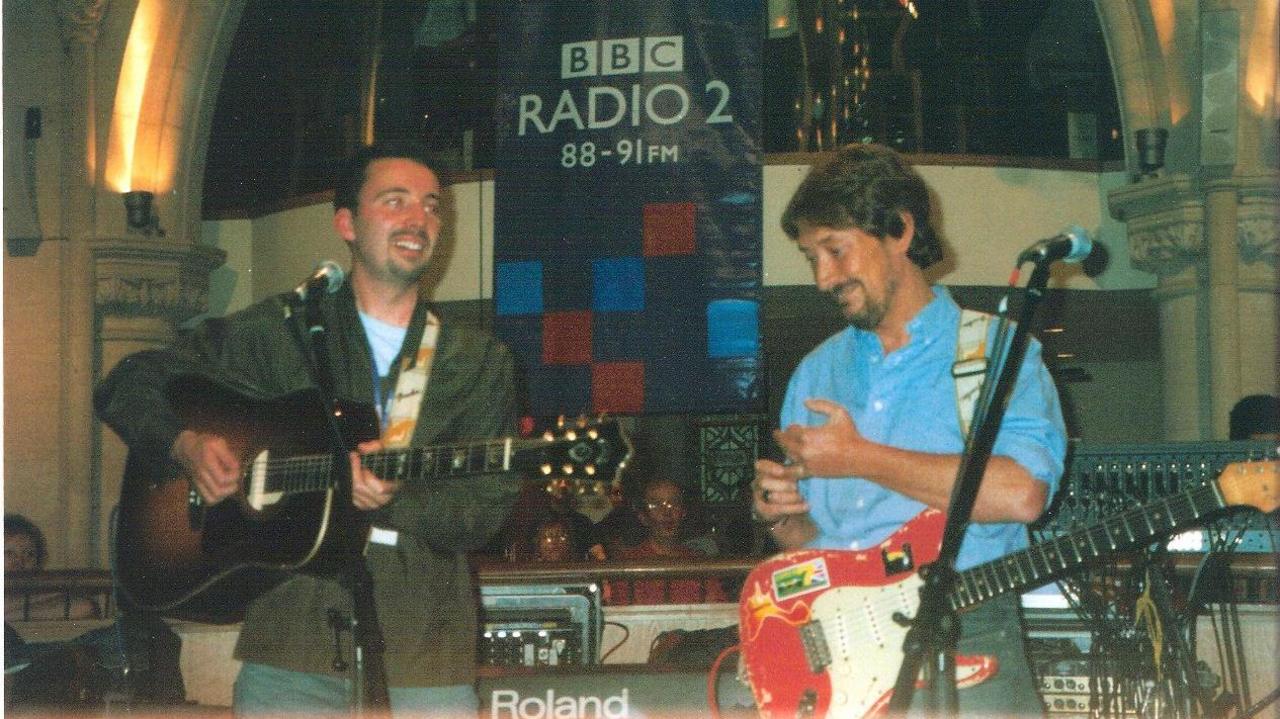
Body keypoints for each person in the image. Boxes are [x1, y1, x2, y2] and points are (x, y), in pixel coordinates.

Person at [94, 142, 521, 718]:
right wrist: (184, 441)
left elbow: (486, 510)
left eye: (431, 206)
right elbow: (128, 381)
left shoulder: (476, 361)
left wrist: (394, 501)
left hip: (425, 652)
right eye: (395, 202)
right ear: (346, 223)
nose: (418, 219)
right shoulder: (284, 331)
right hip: (289, 646)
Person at [751, 143, 1067, 716]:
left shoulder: (994, 350)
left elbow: (1022, 495)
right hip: (840, 653)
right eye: (809, 257)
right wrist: (785, 513)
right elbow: (815, 541)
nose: (823, 277)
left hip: (968, 630)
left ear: (898, 231)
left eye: (835, 250)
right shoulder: (815, 371)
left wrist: (859, 457)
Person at [605, 477, 728, 605]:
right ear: (643, 516)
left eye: (674, 503)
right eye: (656, 505)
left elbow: (716, 609)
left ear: (683, 512)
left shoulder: (698, 563)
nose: (667, 512)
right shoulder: (628, 564)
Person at [5, 514, 99, 622]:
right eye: (9, 553)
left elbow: (85, 608)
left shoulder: (44, 594)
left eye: (29, 554)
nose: (20, 561)